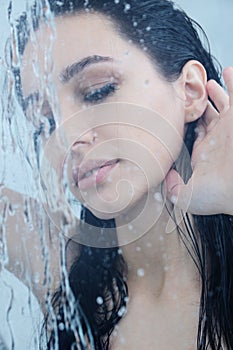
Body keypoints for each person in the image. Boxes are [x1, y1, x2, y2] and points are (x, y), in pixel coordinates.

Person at [13, 0, 233, 349]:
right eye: (46, 123)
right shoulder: (63, 272)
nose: (66, 139)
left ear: (189, 91)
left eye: (98, 91)